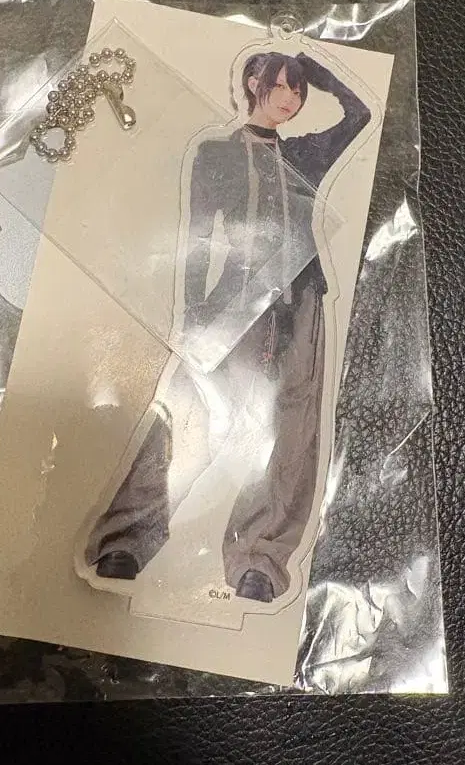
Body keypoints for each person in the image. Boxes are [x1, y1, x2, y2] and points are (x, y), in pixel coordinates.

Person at [84, 51, 371, 602]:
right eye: (281, 86)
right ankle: (127, 537)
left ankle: (259, 557)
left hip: (300, 302)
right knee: (190, 409)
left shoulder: (304, 154)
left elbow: (358, 115)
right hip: (233, 301)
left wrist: (315, 69)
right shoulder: (215, 153)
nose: (290, 99)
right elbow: (198, 238)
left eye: (298, 92)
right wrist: (193, 318)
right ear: (253, 82)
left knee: (291, 426)